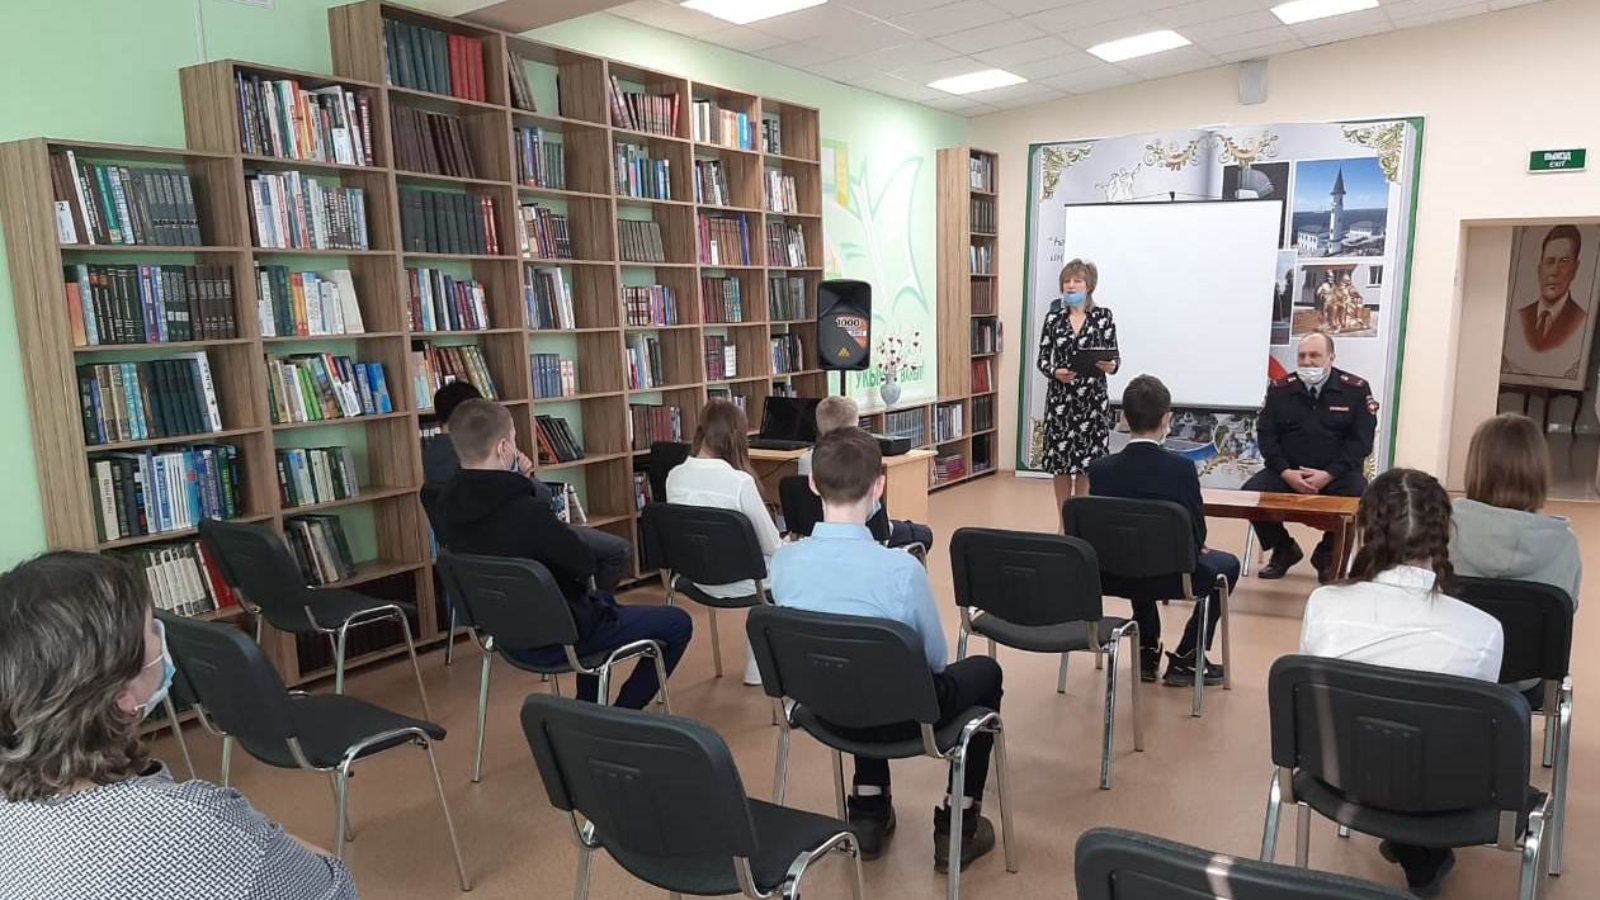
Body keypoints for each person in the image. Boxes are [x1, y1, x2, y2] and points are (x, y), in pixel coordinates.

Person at [0, 551, 359, 899]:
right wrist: (262, 841)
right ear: (123, 695)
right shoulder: (194, 825)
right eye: (151, 631)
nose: (161, 639)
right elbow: (335, 889)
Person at [771, 427, 1004, 872]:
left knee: (853, 664)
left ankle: (868, 806)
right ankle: (959, 822)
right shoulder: (901, 570)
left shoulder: (783, 563)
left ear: (813, 484)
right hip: (903, 719)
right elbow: (934, 662)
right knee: (985, 673)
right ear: (879, 485)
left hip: (822, 707)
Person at [1299, 468, 1504, 898]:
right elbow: (1473, 734)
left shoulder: (1324, 604)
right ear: (1444, 533)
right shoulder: (1483, 630)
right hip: (1439, 793)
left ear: (1366, 530)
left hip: (1338, 776)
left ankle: (1416, 854)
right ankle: (1419, 853)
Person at [439, 399, 691, 708]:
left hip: (503, 635)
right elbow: (583, 562)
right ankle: (622, 715)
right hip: (560, 637)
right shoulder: (526, 510)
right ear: (504, 448)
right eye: (515, 441)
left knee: (599, 604)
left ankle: (589, 707)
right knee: (678, 623)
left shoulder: (446, 508)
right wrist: (528, 485)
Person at [1088, 375, 1239, 685]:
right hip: (1174, 577)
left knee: (1131, 546)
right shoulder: (1180, 469)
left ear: (1124, 418)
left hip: (1111, 574)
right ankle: (1188, 656)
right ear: (1167, 419)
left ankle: (1146, 647)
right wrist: (1197, 545)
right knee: (1228, 565)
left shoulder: (1101, 469)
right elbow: (1197, 533)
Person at [423, 381, 633, 590]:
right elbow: (580, 559)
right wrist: (521, 476)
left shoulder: (436, 469)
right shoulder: (489, 472)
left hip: (479, 573)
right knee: (617, 550)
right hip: (522, 543)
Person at [665, 399, 783, 686]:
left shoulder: (674, 477)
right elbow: (771, 545)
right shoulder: (739, 482)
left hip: (693, 578)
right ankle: (760, 666)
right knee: (790, 567)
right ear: (736, 437)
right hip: (745, 582)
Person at [1244, 331, 1376, 581]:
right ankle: (1284, 549)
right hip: (1288, 473)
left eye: (1315, 355)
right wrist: (1286, 472)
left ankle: (1327, 555)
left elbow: (1361, 441)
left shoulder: (1355, 390)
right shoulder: (1280, 389)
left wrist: (1329, 474)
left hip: (1337, 475)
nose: (1307, 362)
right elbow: (1266, 437)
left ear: (1331, 358)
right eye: (1302, 356)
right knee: (1250, 495)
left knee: (1361, 497)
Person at [1034, 259, 1120, 513]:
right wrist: (1054, 372)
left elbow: (1115, 357)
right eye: (1066, 281)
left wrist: (1111, 366)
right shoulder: (1053, 319)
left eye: (1077, 281)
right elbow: (1042, 359)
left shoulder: (1103, 317)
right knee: (1060, 464)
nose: (1070, 286)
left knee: (1088, 464)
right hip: (1061, 400)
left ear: (1089, 286)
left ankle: (1079, 517)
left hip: (1092, 402)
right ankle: (1063, 520)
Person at [797, 395, 934, 550]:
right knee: (924, 533)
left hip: (817, 534)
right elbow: (878, 519)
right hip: (871, 535)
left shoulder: (805, 459)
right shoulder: (861, 461)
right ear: (855, 426)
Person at [1514, 225, 1585, 354]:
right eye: (1550, 261)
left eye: (1564, 261)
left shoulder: (1581, 320)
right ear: (1539, 270)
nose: (1554, 272)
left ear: (1575, 269)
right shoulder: (1520, 317)